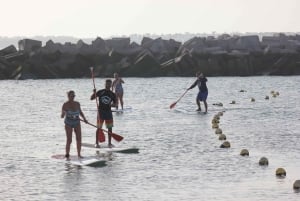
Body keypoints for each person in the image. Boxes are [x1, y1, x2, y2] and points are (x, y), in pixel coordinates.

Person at [61, 90, 87, 159]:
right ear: (68, 96)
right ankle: (67, 154)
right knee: (69, 140)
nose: (73, 97)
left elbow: (80, 112)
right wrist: (64, 113)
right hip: (68, 123)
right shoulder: (65, 104)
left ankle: (79, 154)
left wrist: (84, 119)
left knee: (79, 139)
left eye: (74, 96)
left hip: (77, 122)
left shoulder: (77, 104)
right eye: (71, 96)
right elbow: (62, 116)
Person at [91, 79, 117, 148]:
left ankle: (109, 143)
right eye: (107, 84)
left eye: (109, 84)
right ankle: (96, 143)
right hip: (100, 112)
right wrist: (94, 93)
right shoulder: (100, 92)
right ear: (105, 84)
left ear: (111, 85)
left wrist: (111, 105)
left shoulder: (112, 94)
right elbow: (91, 98)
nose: (108, 85)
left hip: (108, 112)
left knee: (110, 128)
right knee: (99, 128)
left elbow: (116, 105)